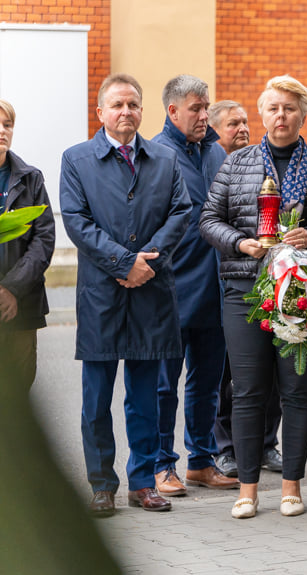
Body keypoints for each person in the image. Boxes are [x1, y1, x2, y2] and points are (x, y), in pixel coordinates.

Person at [200, 74, 307, 519]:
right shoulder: (237, 164)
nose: (280, 116)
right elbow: (210, 219)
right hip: (244, 288)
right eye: (272, 108)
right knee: (247, 390)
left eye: (288, 108)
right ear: (262, 114)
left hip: (300, 290)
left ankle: (291, 486)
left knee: (297, 389)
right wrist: (240, 243)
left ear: (303, 113)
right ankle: (246, 489)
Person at [60, 73, 192, 516]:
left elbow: (181, 211)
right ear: (100, 112)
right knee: (96, 399)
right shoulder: (76, 160)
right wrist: (123, 263)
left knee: (145, 398)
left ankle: (142, 481)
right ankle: (102, 484)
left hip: (151, 293)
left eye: (133, 104)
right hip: (102, 295)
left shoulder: (165, 159)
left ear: (142, 110)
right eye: (117, 105)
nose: (126, 112)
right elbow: (77, 221)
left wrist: (146, 264)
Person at [151, 75, 239, 496]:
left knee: (206, 384)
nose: (205, 116)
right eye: (195, 108)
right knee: (164, 385)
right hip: (170, 289)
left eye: (206, 108)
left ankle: (201, 461)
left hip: (215, 289)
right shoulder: (155, 154)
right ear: (172, 111)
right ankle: (161, 464)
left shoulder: (214, 153)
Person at [208, 99, 283, 477]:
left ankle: (267, 443)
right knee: (230, 375)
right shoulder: (219, 168)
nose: (242, 129)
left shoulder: (267, 163)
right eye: (232, 124)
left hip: (273, 281)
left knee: (272, 371)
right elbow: (210, 221)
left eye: (244, 122)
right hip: (228, 283)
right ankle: (226, 448)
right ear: (215, 131)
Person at [0, 99, 55, 387]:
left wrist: (11, 288)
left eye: (7, 125)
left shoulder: (30, 179)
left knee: (18, 392)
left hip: (21, 304)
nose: (2, 131)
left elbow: (43, 241)